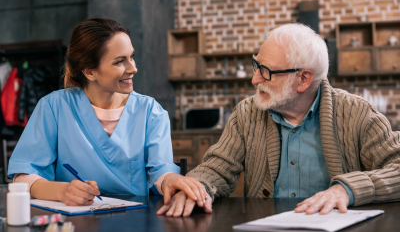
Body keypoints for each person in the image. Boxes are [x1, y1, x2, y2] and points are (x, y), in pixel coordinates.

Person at [157, 23, 400, 217]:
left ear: (304, 79)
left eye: (266, 71)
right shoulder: (246, 114)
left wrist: (347, 189)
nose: (254, 79)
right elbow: (217, 168)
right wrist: (196, 188)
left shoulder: (357, 113)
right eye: (256, 66)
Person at [8, 18, 207, 206]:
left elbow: (161, 171)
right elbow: (23, 177)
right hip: (74, 221)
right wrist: (61, 191)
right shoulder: (53, 107)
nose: (133, 68)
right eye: (120, 61)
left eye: (132, 57)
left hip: (134, 222)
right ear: (89, 71)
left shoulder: (151, 112)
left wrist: (171, 178)